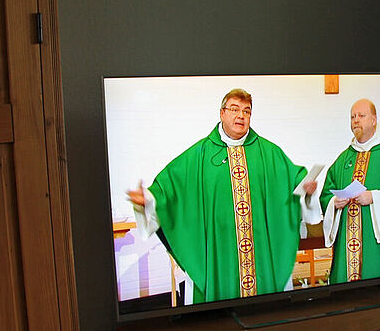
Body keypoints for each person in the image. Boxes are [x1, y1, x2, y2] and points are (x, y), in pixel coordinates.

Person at [127, 89, 318, 304]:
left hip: (260, 253)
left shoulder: (269, 153)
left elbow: (295, 182)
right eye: (235, 109)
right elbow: (169, 190)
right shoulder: (199, 155)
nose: (241, 116)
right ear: (222, 113)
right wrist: (149, 201)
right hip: (219, 254)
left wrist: (306, 190)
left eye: (247, 111)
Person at [319, 98, 380, 284]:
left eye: (361, 116)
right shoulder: (343, 158)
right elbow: (326, 194)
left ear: (374, 120)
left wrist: (375, 197)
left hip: (377, 246)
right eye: (352, 117)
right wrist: (334, 203)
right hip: (347, 245)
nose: (356, 120)